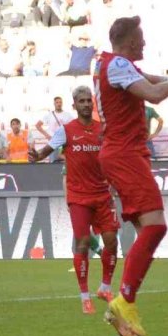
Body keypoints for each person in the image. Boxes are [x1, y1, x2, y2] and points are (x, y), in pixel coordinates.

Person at [94, 16, 168, 336]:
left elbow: (147, 79)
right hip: (124, 153)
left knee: (148, 232)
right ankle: (124, 300)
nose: (143, 44)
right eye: (140, 39)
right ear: (129, 41)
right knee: (156, 226)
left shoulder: (109, 64)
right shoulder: (117, 65)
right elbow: (154, 94)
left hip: (123, 153)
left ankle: (123, 307)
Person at [28, 86, 119, 312]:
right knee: (83, 243)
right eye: (82, 101)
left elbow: (113, 157)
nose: (87, 104)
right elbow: (47, 151)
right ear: (74, 105)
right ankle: (84, 296)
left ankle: (105, 287)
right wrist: (36, 156)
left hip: (102, 194)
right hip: (79, 196)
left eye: (89, 100)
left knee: (111, 241)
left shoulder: (102, 130)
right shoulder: (67, 130)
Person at [35, 96, 74, 162]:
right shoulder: (49, 115)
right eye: (57, 102)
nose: (59, 104)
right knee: (53, 162)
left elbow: (73, 126)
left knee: (65, 162)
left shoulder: (68, 115)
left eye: (60, 102)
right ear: (54, 104)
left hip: (64, 142)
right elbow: (38, 125)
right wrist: (47, 135)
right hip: (53, 142)